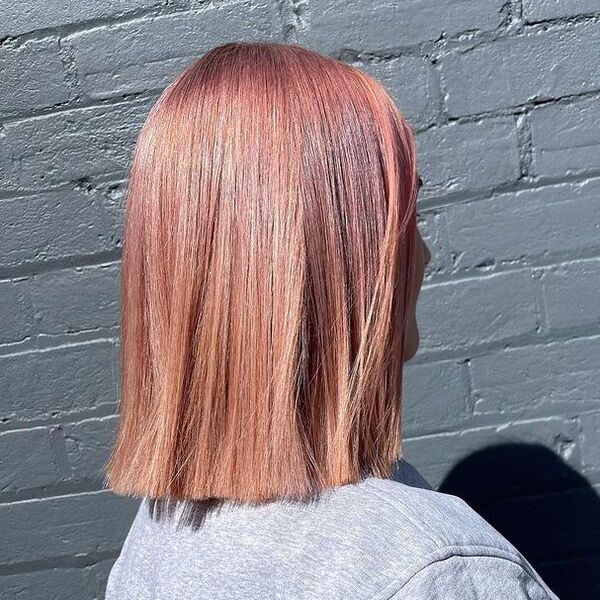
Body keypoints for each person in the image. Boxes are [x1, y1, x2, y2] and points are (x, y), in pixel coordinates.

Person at [104, 42, 559, 599]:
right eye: (406, 212)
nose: (424, 254)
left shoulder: (161, 531)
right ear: (343, 258)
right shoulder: (431, 570)